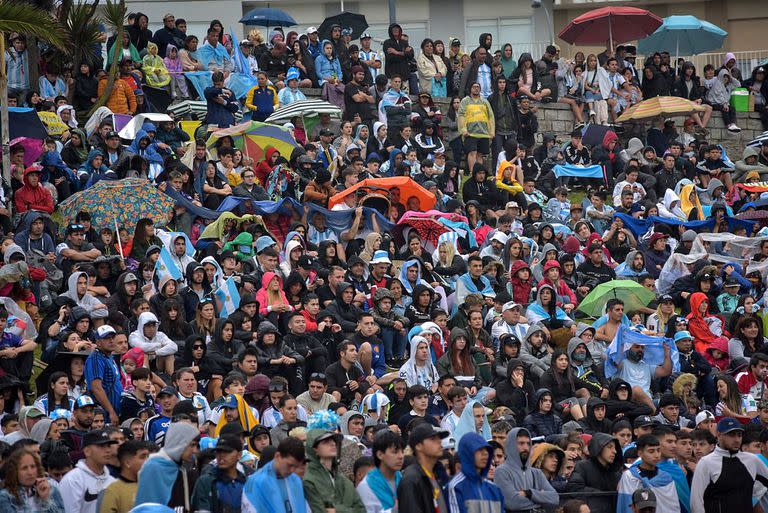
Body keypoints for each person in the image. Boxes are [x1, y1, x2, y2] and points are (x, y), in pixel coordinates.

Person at [690, 417, 768, 513]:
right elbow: (696, 502)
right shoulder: (706, 463)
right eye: (731, 435)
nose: (737, 439)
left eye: (739, 435)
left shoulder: (752, 460)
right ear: (718, 435)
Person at [133, 422, 200, 510]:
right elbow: (147, 508)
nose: (195, 450)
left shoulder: (179, 466)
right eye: (192, 445)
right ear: (179, 443)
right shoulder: (153, 468)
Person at [494, 427, 559, 512]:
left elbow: (555, 498)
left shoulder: (536, 473)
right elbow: (513, 503)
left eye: (528, 443)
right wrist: (542, 500)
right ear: (511, 445)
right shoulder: (502, 471)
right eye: (521, 443)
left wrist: (529, 493)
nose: (525, 448)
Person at [303, 429, 365, 513]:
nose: (333, 444)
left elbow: (361, 510)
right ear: (314, 449)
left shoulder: (342, 479)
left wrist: (337, 510)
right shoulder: (309, 480)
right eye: (326, 442)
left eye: (333, 441)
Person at [617, 434, 681, 513]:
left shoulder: (666, 478)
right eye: (651, 451)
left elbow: (672, 508)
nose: (657, 455)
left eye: (658, 450)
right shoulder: (629, 477)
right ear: (640, 453)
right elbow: (626, 505)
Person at [242, 437, 307, 513]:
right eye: (289, 465)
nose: (292, 470)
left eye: (295, 466)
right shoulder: (255, 483)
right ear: (277, 456)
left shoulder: (295, 479)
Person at [59, 429, 118, 513]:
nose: (108, 450)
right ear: (87, 451)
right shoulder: (73, 480)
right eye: (101, 446)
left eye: (108, 445)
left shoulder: (112, 482)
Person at [446, 432, 505, 513]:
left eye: (487, 450)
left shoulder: (494, 489)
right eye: (480, 449)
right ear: (467, 453)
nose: (485, 453)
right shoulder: (455, 487)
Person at [397, 423, 450, 513]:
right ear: (418, 446)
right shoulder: (411, 479)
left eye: (439, 438)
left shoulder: (436, 473)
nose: (439, 441)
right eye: (433, 439)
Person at [566, 433, 624, 513]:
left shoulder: (616, 473)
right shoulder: (583, 466)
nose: (614, 451)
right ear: (599, 447)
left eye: (615, 448)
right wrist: (601, 495)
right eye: (609, 447)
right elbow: (574, 489)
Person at [191, 435, 246, 512]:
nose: (221, 456)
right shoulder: (205, 482)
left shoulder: (247, 482)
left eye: (227, 452)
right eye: (218, 451)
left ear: (239, 455)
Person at [0, 448, 65, 513]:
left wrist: (45, 500)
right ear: (14, 472)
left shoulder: (51, 489)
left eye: (33, 466)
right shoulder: (5, 497)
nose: (30, 472)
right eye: (24, 468)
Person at [357, 429, 405, 513]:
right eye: (395, 452)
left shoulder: (400, 477)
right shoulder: (366, 485)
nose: (401, 456)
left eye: (402, 452)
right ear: (380, 455)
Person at [99, 439, 152, 513]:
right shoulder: (111, 490)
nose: (148, 461)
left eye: (148, 456)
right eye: (142, 457)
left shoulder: (151, 486)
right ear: (127, 463)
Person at [84, 325, 123, 425]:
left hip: (114, 410)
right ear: (98, 342)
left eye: (113, 337)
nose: (111, 341)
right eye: (106, 338)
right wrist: (111, 411)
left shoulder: (109, 356)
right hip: (103, 414)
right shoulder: (96, 359)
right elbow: (96, 388)